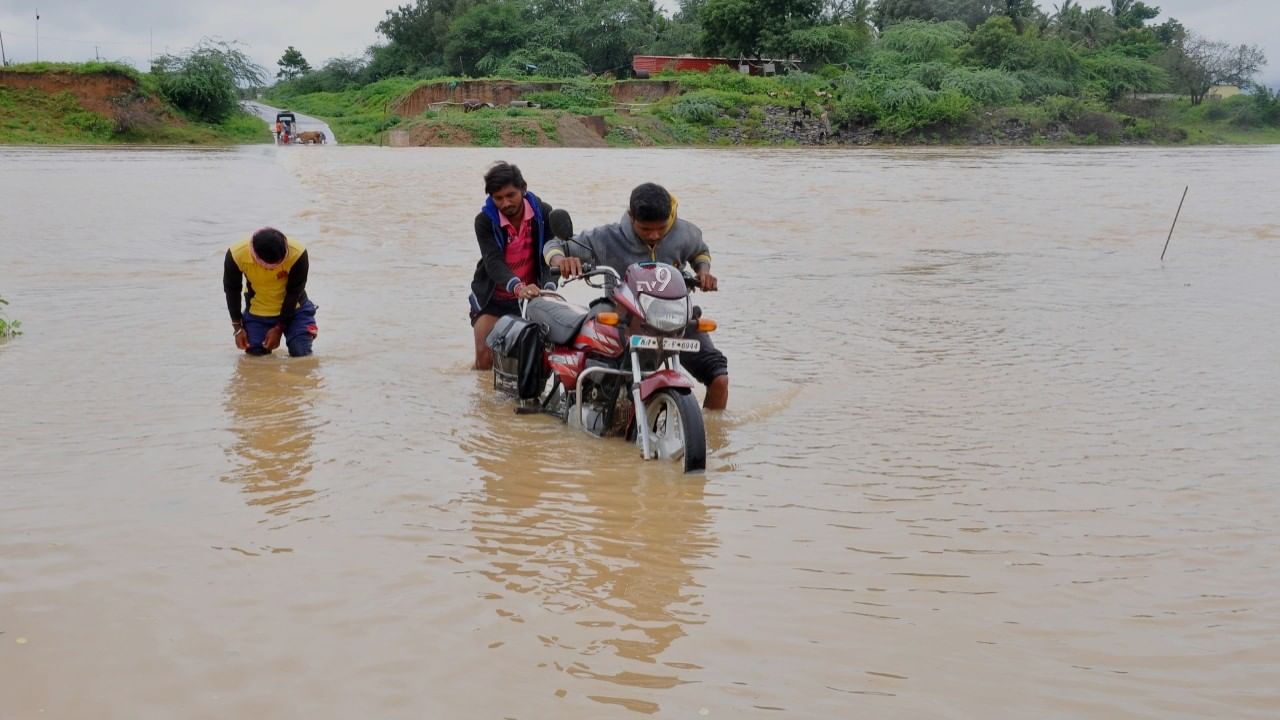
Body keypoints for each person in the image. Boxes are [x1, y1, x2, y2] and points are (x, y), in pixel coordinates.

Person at [544, 183, 729, 410]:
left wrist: (704, 272)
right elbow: (555, 245)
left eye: (661, 229)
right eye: (645, 229)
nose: (654, 235)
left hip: (674, 317)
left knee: (719, 378)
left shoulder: (683, 232)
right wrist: (561, 261)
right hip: (623, 318)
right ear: (631, 217)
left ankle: (707, 437)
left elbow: (700, 251)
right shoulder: (605, 237)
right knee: (599, 359)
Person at [469, 161, 558, 370]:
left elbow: (552, 254)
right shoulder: (484, 221)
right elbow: (493, 261)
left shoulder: (544, 214)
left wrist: (549, 289)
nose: (505, 203)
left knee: (536, 361)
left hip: (532, 296)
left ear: (523, 189)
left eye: (511, 195)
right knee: (484, 359)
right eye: (498, 198)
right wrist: (517, 287)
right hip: (493, 298)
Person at [223, 227, 318, 357]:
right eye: (266, 266)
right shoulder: (236, 254)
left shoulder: (298, 253)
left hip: (295, 309)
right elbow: (232, 290)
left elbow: (294, 292)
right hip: (257, 311)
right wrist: (238, 328)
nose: (270, 270)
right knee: (255, 356)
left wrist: (279, 328)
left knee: (300, 352)